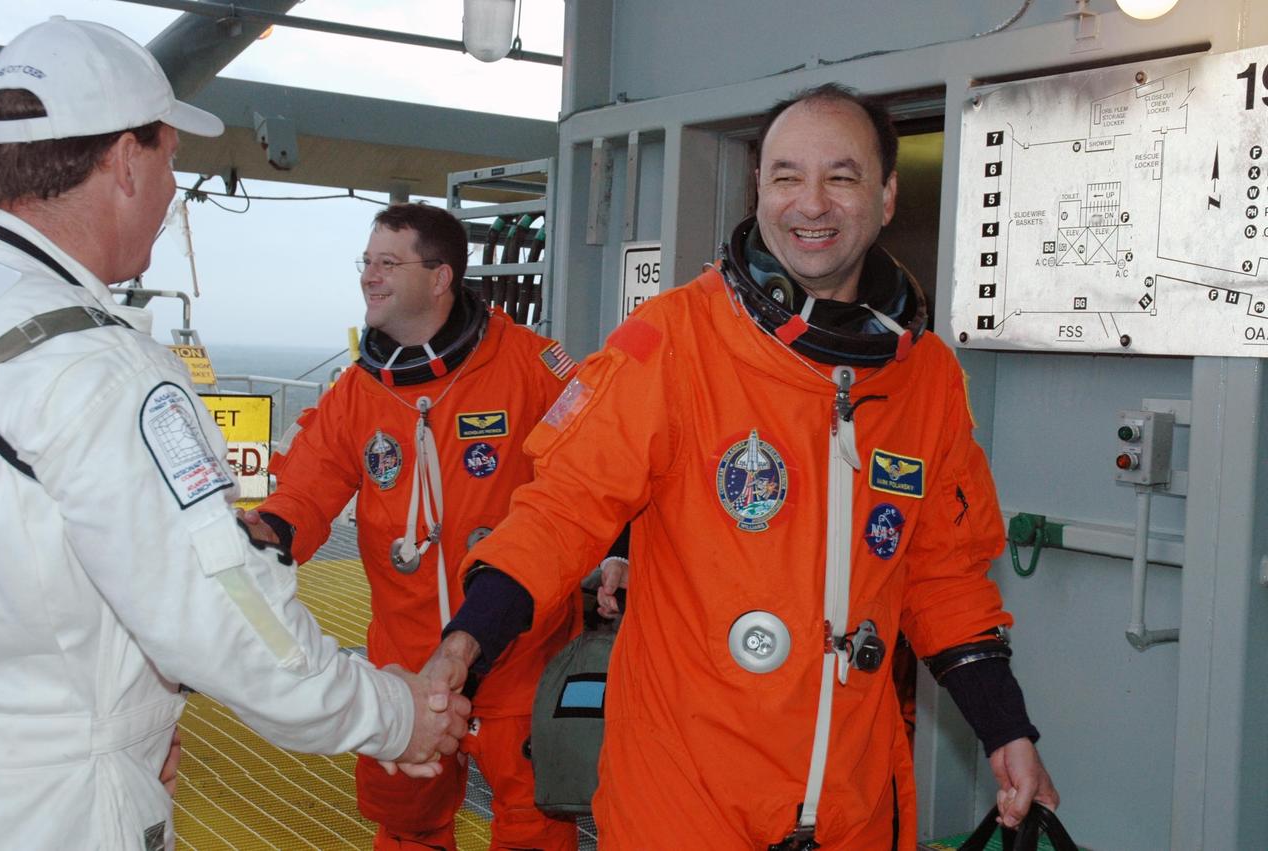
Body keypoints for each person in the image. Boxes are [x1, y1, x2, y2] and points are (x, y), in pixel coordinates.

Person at [427, 84, 1060, 850]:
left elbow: (945, 576)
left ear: (887, 195)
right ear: (758, 189)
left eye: (843, 176)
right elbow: (564, 510)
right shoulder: (672, 342)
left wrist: (1006, 729)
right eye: (787, 176)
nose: (811, 203)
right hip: (685, 802)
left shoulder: (927, 380)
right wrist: (468, 638)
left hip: (851, 805)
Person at [0, 18, 468, 849]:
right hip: (50, 809)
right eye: (172, 159)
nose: (174, 188)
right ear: (126, 162)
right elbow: (225, 610)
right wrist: (394, 716)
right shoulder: (101, 372)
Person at [240, 202, 581, 850]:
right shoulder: (357, 393)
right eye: (366, 262)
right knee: (407, 827)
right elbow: (308, 488)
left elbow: (597, 481)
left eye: (388, 262)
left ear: (441, 276)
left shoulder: (535, 370)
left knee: (535, 826)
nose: (369, 276)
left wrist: (619, 556)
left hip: (518, 651)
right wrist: (270, 532)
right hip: (407, 666)